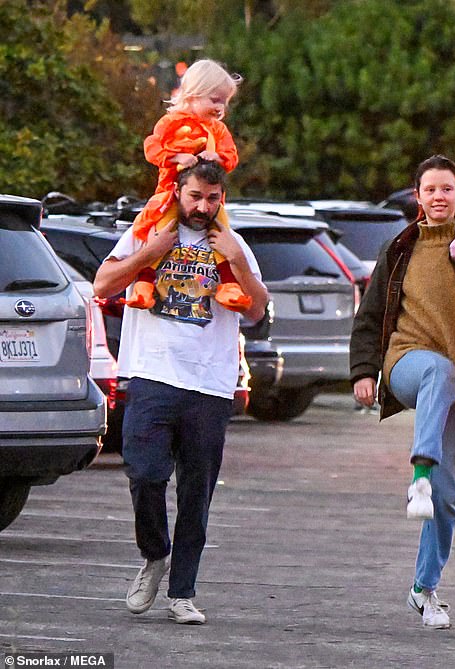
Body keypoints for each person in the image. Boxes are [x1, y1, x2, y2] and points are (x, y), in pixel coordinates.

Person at [93, 160, 268, 625]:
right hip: (152, 374)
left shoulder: (231, 242)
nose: (203, 207)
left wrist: (234, 259)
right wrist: (146, 253)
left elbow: (257, 309)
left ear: (222, 199)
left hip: (210, 385)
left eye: (213, 199)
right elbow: (103, 284)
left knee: (197, 493)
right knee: (145, 473)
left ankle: (182, 592)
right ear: (178, 191)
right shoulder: (150, 229)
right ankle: (155, 555)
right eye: (195, 197)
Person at [349, 155, 455, 630]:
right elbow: (370, 315)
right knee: (437, 372)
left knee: (447, 495)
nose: (438, 197)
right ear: (416, 196)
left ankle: (424, 590)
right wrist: (364, 370)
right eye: (430, 189)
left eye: (447, 188)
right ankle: (419, 470)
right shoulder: (399, 250)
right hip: (408, 361)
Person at [127, 58, 250, 312]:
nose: (220, 107)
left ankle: (228, 284)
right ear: (194, 94)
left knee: (221, 234)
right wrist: (176, 157)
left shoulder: (218, 130)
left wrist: (218, 157)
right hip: (169, 196)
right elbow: (152, 149)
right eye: (214, 100)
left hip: (208, 199)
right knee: (160, 235)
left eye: (224, 102)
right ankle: (145, 284)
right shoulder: (171, 123)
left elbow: (232, 156)